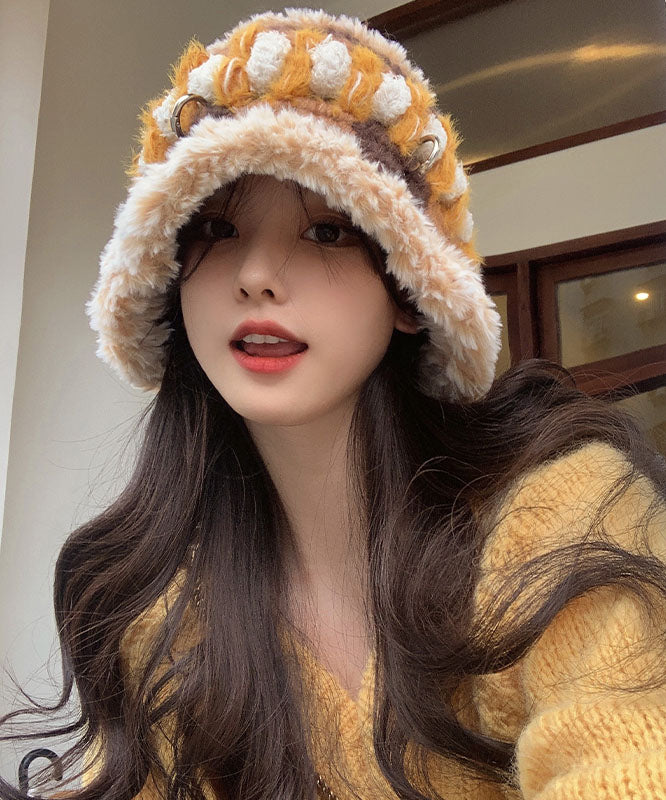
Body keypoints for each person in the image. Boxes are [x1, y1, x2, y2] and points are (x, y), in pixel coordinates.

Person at [3, 8, 665, 800]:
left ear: (409, 293)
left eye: (327, 233)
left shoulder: (558, 512)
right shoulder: (165, 615)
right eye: (215, 227)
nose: (257, 275)